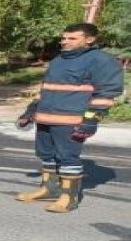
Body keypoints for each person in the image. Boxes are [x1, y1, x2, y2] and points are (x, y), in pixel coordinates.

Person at [16, 23, 124, 213]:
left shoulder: (101, 61)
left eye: (72, 38)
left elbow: (107, 93)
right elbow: (47, 88)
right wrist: (30, 111)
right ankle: (49, 189)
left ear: (89, 40)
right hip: (46, 118)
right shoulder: (59, 60)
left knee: (68, 158)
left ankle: (68, 197)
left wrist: (91, 120)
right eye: (64, 38)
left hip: (72, 121)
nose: (64, 41)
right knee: (46, 156)